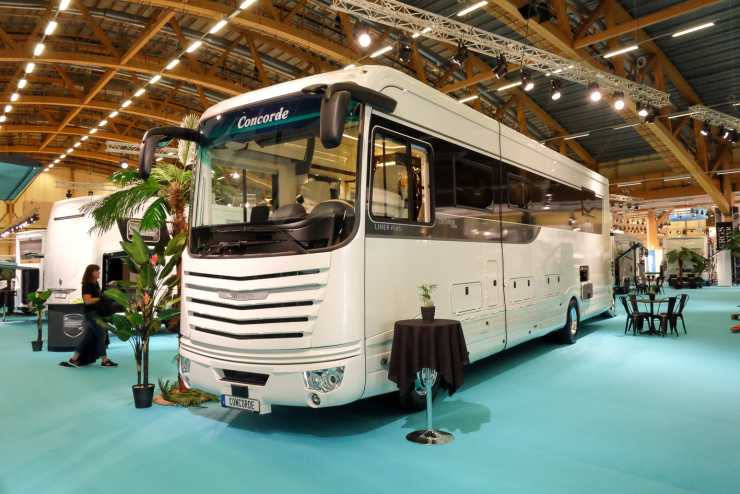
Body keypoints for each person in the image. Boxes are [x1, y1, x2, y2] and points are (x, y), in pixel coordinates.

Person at [62, 264, 117, 368]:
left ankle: (73, 359)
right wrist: (100, 299)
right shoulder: (87, 285)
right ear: (91, 273)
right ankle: (105, 360)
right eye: (97, 271)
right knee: (101, 336)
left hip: (97, 313)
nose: (99, 272)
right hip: (91, 314)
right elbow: (87, 301)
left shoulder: (96, 283)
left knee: (87, 338)